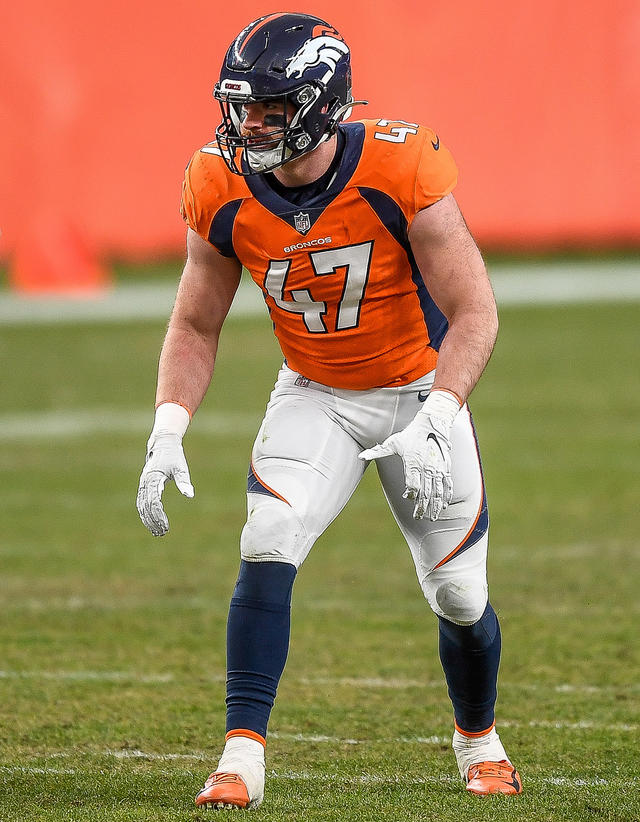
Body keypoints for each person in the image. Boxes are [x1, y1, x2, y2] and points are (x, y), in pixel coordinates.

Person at [136, 11, 522, 810]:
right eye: (241, 107)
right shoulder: (220, 181)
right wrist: (168, 425)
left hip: (420, 389)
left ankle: (479, 739)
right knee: (269, 534)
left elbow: (475, 310)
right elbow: (196, 322)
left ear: (320, 103)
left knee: (459, 597)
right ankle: (242, 756)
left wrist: (443, 413)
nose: (249, 125)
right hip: (316, 391)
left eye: (270, 109)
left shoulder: (398, 164)